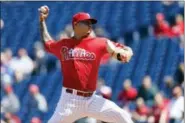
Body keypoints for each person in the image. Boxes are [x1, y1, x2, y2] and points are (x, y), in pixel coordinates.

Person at [39, 5, 133, 123]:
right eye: (86, 22)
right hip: (69, 101)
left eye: (90, 23)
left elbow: (126, 50)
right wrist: (42, 22)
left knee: (123, 117)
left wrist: (125, 53)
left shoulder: (99, 42)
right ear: (76, 25)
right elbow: (47, 42)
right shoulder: (64, 45)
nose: (90, 25)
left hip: (91, 99)